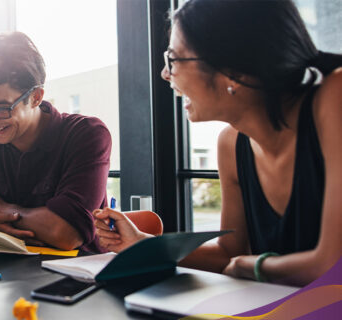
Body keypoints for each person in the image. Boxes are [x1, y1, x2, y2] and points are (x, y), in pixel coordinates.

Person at [94, 0, 342, 286]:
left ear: (233, 72)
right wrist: (140, 243)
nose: (165, 74)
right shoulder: (231, 145)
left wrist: (255, 266)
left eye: (173, 60)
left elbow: (331, 265)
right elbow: (228, 254)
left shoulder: (333, 98)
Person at [0, 32, 112, 252]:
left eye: (0, 108)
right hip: (3, 271)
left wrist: (0, 208)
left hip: (75, 272)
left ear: (36, 97)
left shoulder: (87, 135)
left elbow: (66, 234)